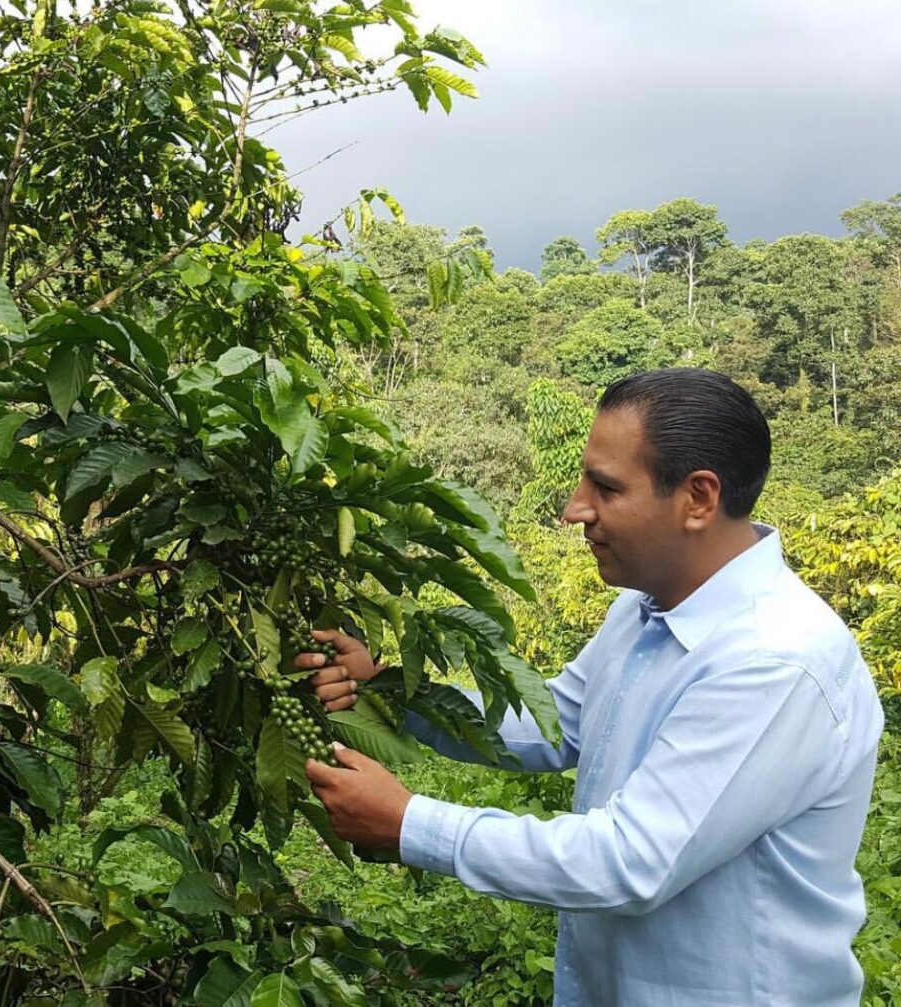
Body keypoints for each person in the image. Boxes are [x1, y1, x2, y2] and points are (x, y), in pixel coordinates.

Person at [300, 368, 884, 1007]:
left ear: (698, 498)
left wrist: (411, 824)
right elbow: (558, 722)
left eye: (606, 487)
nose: (575, 509)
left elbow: (629, 860)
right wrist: (392, 692)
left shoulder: (775, 660)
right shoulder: (644, 607)